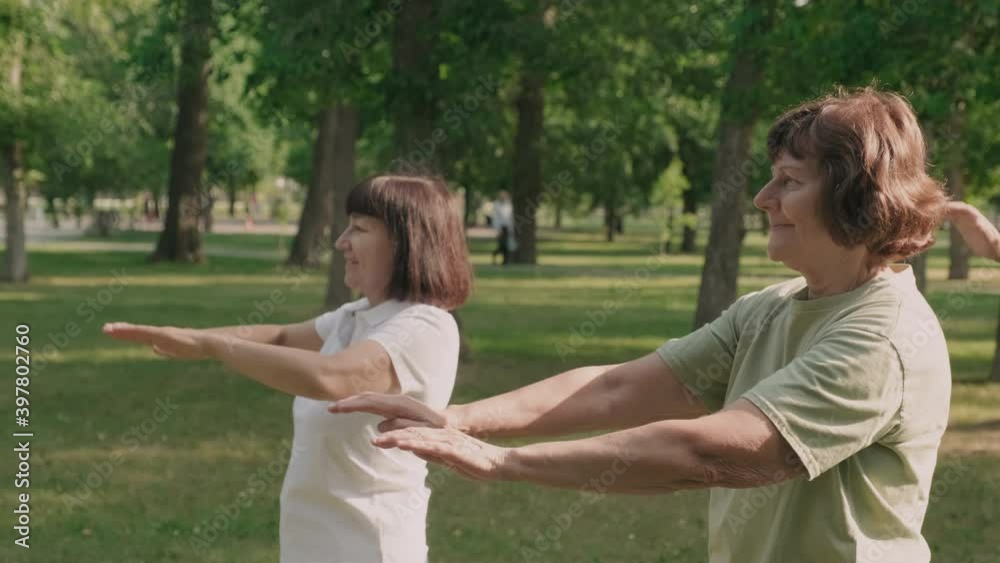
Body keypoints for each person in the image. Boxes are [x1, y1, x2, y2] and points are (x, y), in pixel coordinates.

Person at [331, 89, 953, 563]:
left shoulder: (880, 338)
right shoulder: (772, 307)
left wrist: (504, 463)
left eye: (789, 182)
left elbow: (707, 453)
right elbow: (618, 388)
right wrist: (457, 419)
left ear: (855, 196)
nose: (763, 198)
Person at [104, 174, 473, 563]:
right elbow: (280, 337)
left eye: (359, 228)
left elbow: (333, 376)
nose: (341, 241)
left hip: (372, 547)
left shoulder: (424, 326)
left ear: (405, 242)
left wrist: (216, 346)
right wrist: (190, 337)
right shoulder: (357, 316)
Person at [491, 190, 515, 265]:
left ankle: (505, 261)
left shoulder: (508, 205)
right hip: (500, 228)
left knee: (506, 246)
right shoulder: (496, 205)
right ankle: (495, 257)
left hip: (507, 227)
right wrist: (498, 229)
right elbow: (495, 218)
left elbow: (510, 218)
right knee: (501, 245)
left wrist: (511, 228)